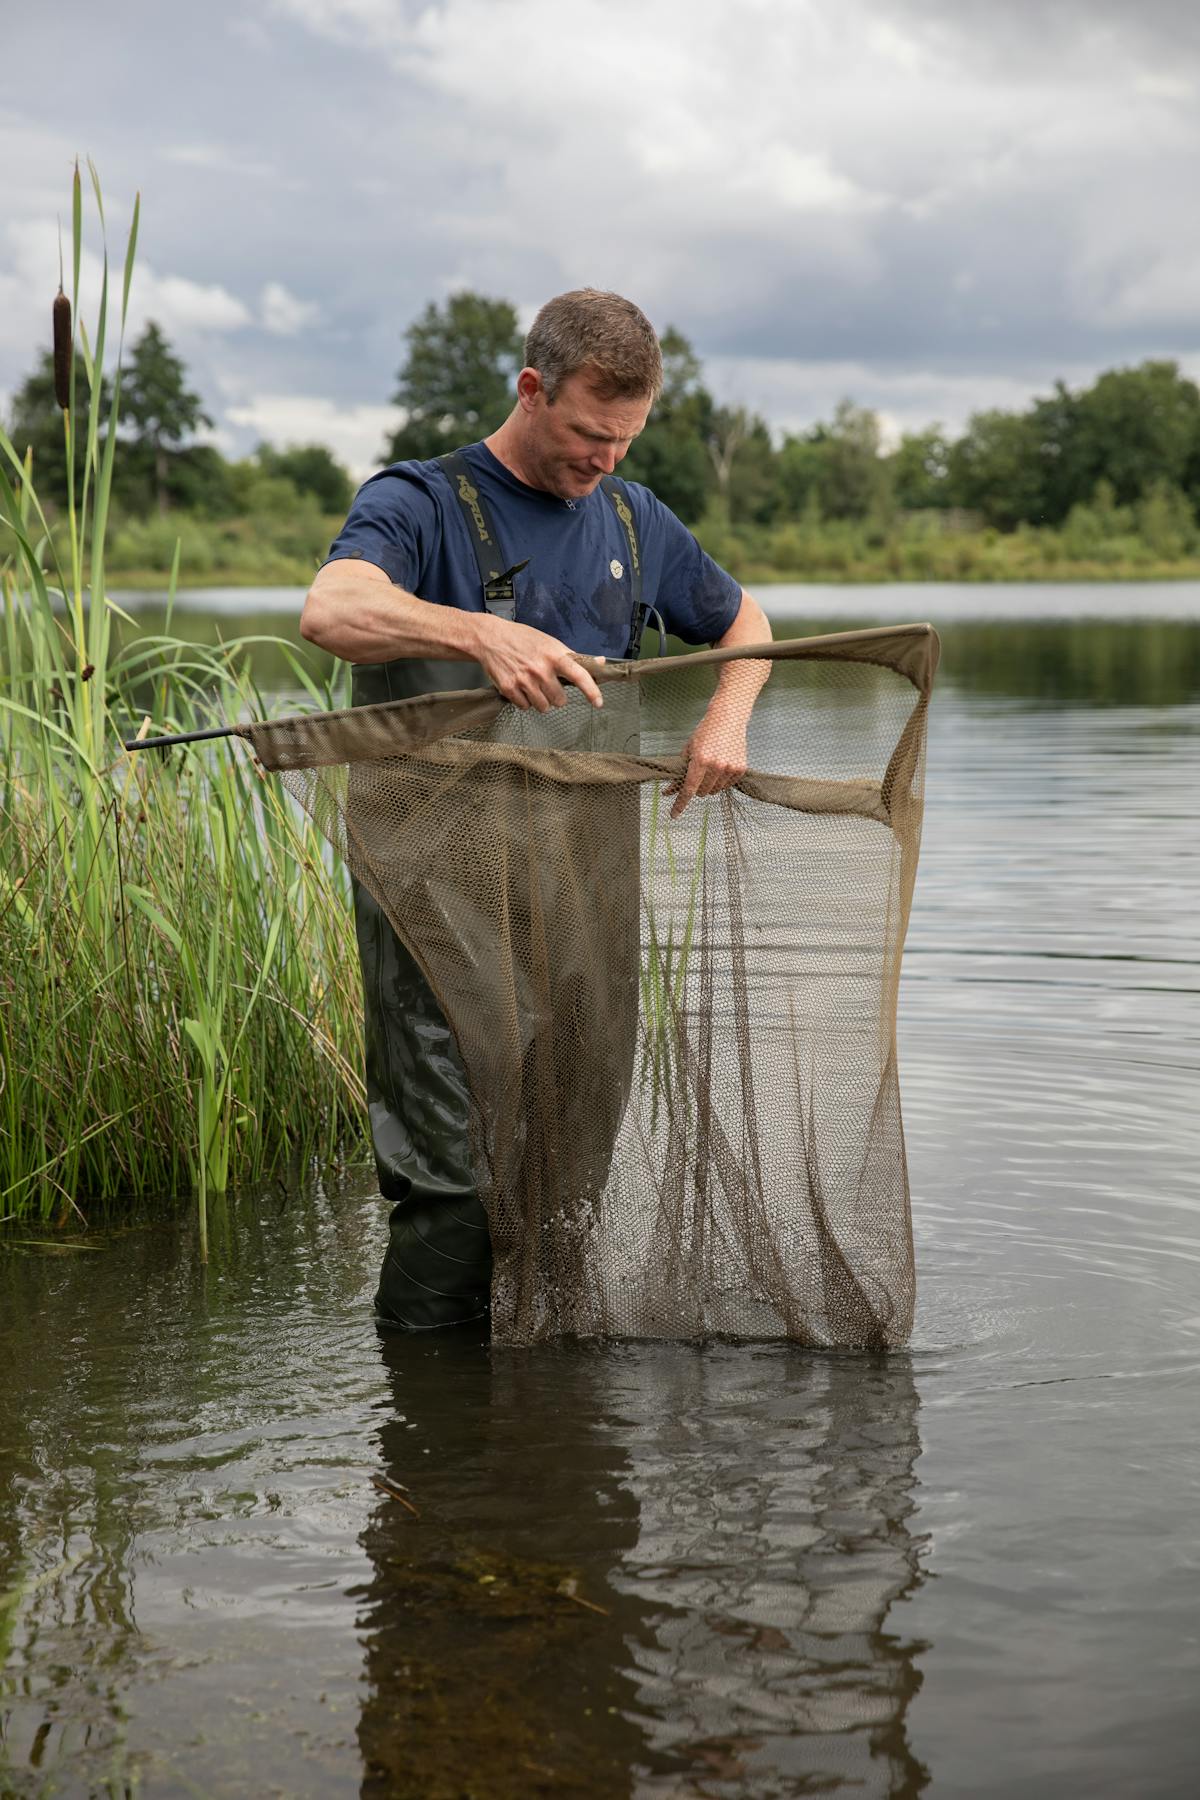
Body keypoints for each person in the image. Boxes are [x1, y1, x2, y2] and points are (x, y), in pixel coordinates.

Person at [300, 288, 771, 1332]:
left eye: (624, 439)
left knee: (569, 1164)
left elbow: (744, 617)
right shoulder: (420, 501)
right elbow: (331, 607)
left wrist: (727, 713)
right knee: (456, 1183)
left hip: (580, 901)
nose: (604, 458)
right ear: (532, 388)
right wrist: (481, 634)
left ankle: (534, 1428)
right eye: (587, 433)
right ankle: (429, 1425)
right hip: (436, 899)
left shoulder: (635, 519)